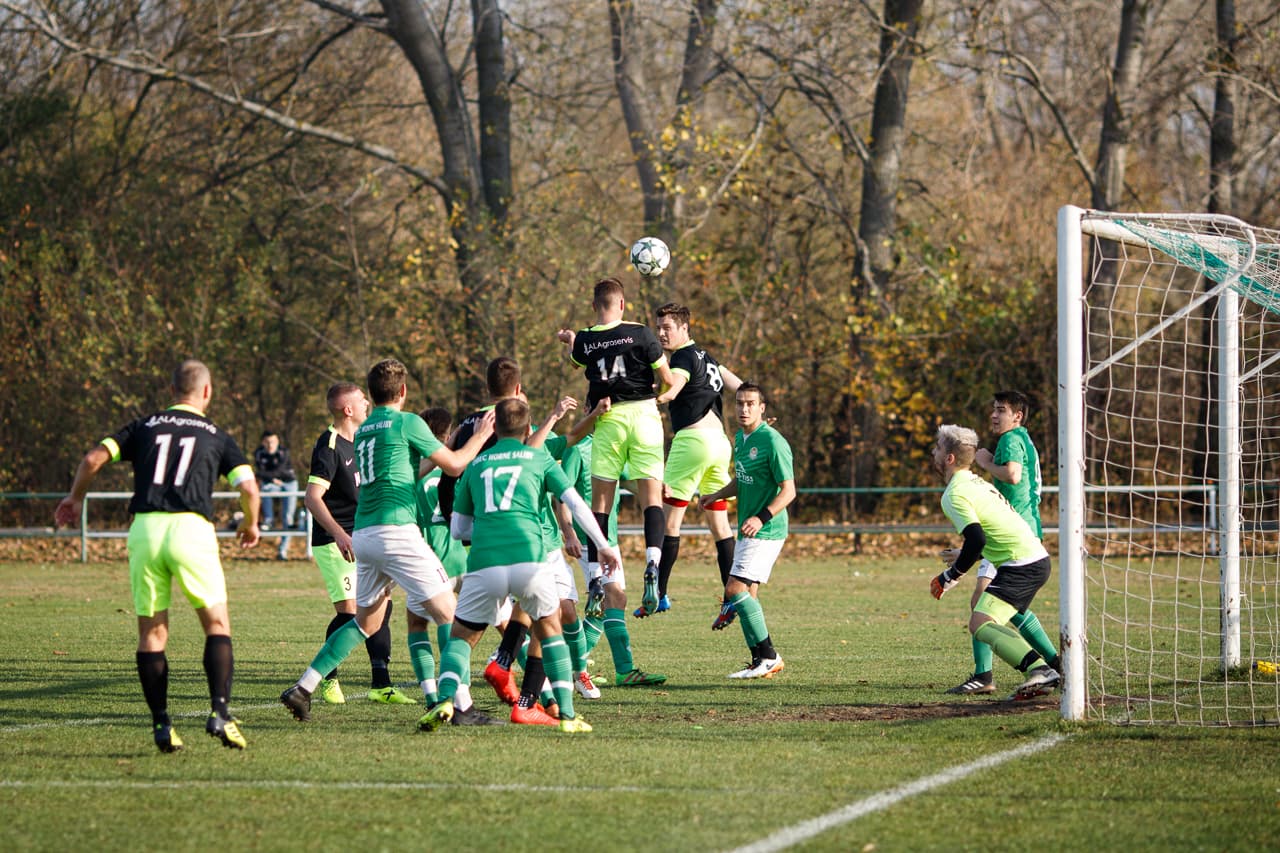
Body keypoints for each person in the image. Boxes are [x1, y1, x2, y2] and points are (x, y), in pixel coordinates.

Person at [53, 359, 260, 752]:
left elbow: (93, 458)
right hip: (191, 530)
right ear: (206, 392)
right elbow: (249, 488)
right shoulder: (216, 434)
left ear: (171, 391)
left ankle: (162, 724)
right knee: (216, 624)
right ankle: (219, 712)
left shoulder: (144, 425)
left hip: (145, 529)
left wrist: (75, 497)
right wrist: (250, 525)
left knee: (152, 633)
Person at [280, 358, 497, 726]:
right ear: (404, 391)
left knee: (365, 622)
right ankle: (459, 705)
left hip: (365, 534)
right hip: (397, 533)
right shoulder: (407, 421)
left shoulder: (364, 431)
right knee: (450, 613)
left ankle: (303, 687)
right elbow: (455, 465)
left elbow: (406, 476)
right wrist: (477, 435)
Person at [418, 398, 623, 734]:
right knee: (550, 630)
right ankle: (568, 717)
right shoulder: (539, 457)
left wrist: (489, 527)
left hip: (485, 563)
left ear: (494, 429)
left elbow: (459, 529)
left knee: (460, 638)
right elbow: (572, 501)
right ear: (529, 428)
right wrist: (602, 545)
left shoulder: (477, 465)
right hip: (531, 558)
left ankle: (445, 699)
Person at [556, 276, 674, 684]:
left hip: (607, 420)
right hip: (643, 415)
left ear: (596, 306)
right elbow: (669, 380)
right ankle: (656, 563)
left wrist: (572, 339)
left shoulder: (587, 341)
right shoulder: (643, 334)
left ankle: (592, 580)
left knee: (600, 507)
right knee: (652, 500)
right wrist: (664, 393)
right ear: (622, 304)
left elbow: (577, 359)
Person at [928, 424, 1060, 699]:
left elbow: (977, 540)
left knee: (981, 622)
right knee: (997, 615)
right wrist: (963, 558)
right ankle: (1052, 666)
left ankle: (1040, 670)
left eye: (938, 448)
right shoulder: (976, 482)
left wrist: (949, 576)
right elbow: (984, 537)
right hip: (1030, 558)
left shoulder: (954, 494)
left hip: (1021, 564)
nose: (934, 451)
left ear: (950, 458)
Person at [303, 382, 412, 706]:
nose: (367, 405)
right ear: (348, 410)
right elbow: (313, 497)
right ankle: (327, 678)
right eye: (362, 402)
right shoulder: (330, 445)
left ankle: (381, 683)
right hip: (335, 541)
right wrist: (338, 533)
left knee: (380, 603)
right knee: (351, 612)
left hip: (362, 536)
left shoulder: (362, 441)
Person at [648, 302, 743, 622]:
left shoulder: (683, 357)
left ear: (684, 328)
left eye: (667, 328)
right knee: (720, 526)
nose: (661, 333)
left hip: (692, 443)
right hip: (719, 444)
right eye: (658, 328)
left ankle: (658, 593)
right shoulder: (707, 356)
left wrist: (659, 398)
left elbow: (676, 383)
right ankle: (733, 598)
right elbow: (740, 386)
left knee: (670, 520)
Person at [699, 383, 795, 679]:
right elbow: (742, 480)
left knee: (735, 589)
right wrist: (716, 495)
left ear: (762, 408)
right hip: (749, 531)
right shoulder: (741, 438)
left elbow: (789, 490)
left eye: (751, 404)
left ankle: (769, 656)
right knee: (748, 594)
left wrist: (761, 518)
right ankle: (759, 659)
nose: (744, 409)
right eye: (740, 403)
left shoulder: (773, 441)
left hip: (766, 530)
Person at [255, 430, 298, 534]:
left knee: (287, 517)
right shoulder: (259, 453)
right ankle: (269, 521)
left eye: (273, 442)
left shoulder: (284, 452)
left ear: (277, 441)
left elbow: (280, 470)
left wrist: (269, 476)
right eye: (267, 442)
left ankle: (282, 549)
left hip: (289, 482)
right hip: (272, 484)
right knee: (265, 489)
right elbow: (259, 472)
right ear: (263, 442)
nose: (270, 445)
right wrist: (272, 479)